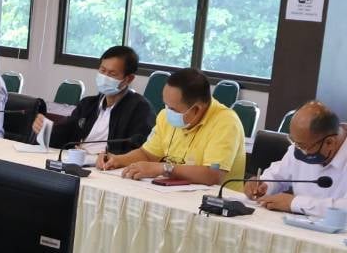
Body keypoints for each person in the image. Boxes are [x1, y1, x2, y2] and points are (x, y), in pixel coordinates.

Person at [246, 100, 347, 225]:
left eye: (303, 146)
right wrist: (263, 186)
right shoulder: (303, 144)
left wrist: (294, 203)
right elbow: (277, 176)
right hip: (303, 229)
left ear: (329, 142)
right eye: (294, 142)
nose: (298, 149)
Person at [101, 67, 245, 188]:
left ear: (196, 109)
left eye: (173, 109)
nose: (167, 111)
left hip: (217, 203)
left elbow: (213, 175)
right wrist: (118, 160)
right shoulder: (165, 116)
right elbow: (147, 155)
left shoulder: (226, 122)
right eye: (166, 105)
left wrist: (163, 168)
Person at [30, 45, 154, 154]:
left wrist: (106, 157)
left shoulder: (140, 109)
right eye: (102, 70)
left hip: (109, 167)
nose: (105, 77)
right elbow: (65, 135)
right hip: (76, 161)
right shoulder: (88, 104)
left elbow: (139, 150)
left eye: (112, 74)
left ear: (128, 79)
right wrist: (46, 129)